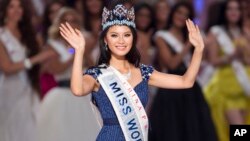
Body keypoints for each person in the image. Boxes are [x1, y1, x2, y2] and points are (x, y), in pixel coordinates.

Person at [59, 2, 204, 140]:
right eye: (114, 35)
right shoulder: (98, 74)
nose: (121, 40)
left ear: (133, 39)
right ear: (105, 40)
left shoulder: (144, 72)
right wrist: (79, 51)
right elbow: (78, 90)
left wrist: (198, 49)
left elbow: (186, 82)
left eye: (126, 35)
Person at [149, 2, 217, 141]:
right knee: (173, 128)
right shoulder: (162, 36)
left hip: (191, 88)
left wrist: (202, 45)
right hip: (171, 87)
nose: (181, 17)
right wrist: (188, 45)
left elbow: (203, 61)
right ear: (173, 14)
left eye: (186, 15)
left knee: (195, 127)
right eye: (179, 13)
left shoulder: (190, 36)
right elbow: (172, 63)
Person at [36, 7, 101, 141]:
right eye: (66, 20)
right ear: (60, 23)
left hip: (84, 96)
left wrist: (85, 51)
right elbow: (56, 69)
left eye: (75, 21)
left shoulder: (87, 42)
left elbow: (93, 68)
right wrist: (76, 52)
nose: (71, 24)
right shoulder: (52, 45)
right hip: (61, 94)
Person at [0, 0, 54, 141]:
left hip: (30, 88)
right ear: (5, 10)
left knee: (34, 129)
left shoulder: (28, 35)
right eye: (12, 7)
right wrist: (36, 59)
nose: (17, 10)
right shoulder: (2, 36)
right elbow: (7, 68)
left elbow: (38, 66)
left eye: (20, 7)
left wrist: (48, 58)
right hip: (11, 90)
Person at [205, 0, 250, 140]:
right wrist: (232, 56)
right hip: (227, 89)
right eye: (230, 9)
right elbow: (213, 61)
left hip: (245, 88)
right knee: (238, 130)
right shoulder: (216, 32)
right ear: (224, 12)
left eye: (237, 9)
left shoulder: (244, 32)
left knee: (243, 130)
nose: (234, 12)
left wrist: (243, 57)